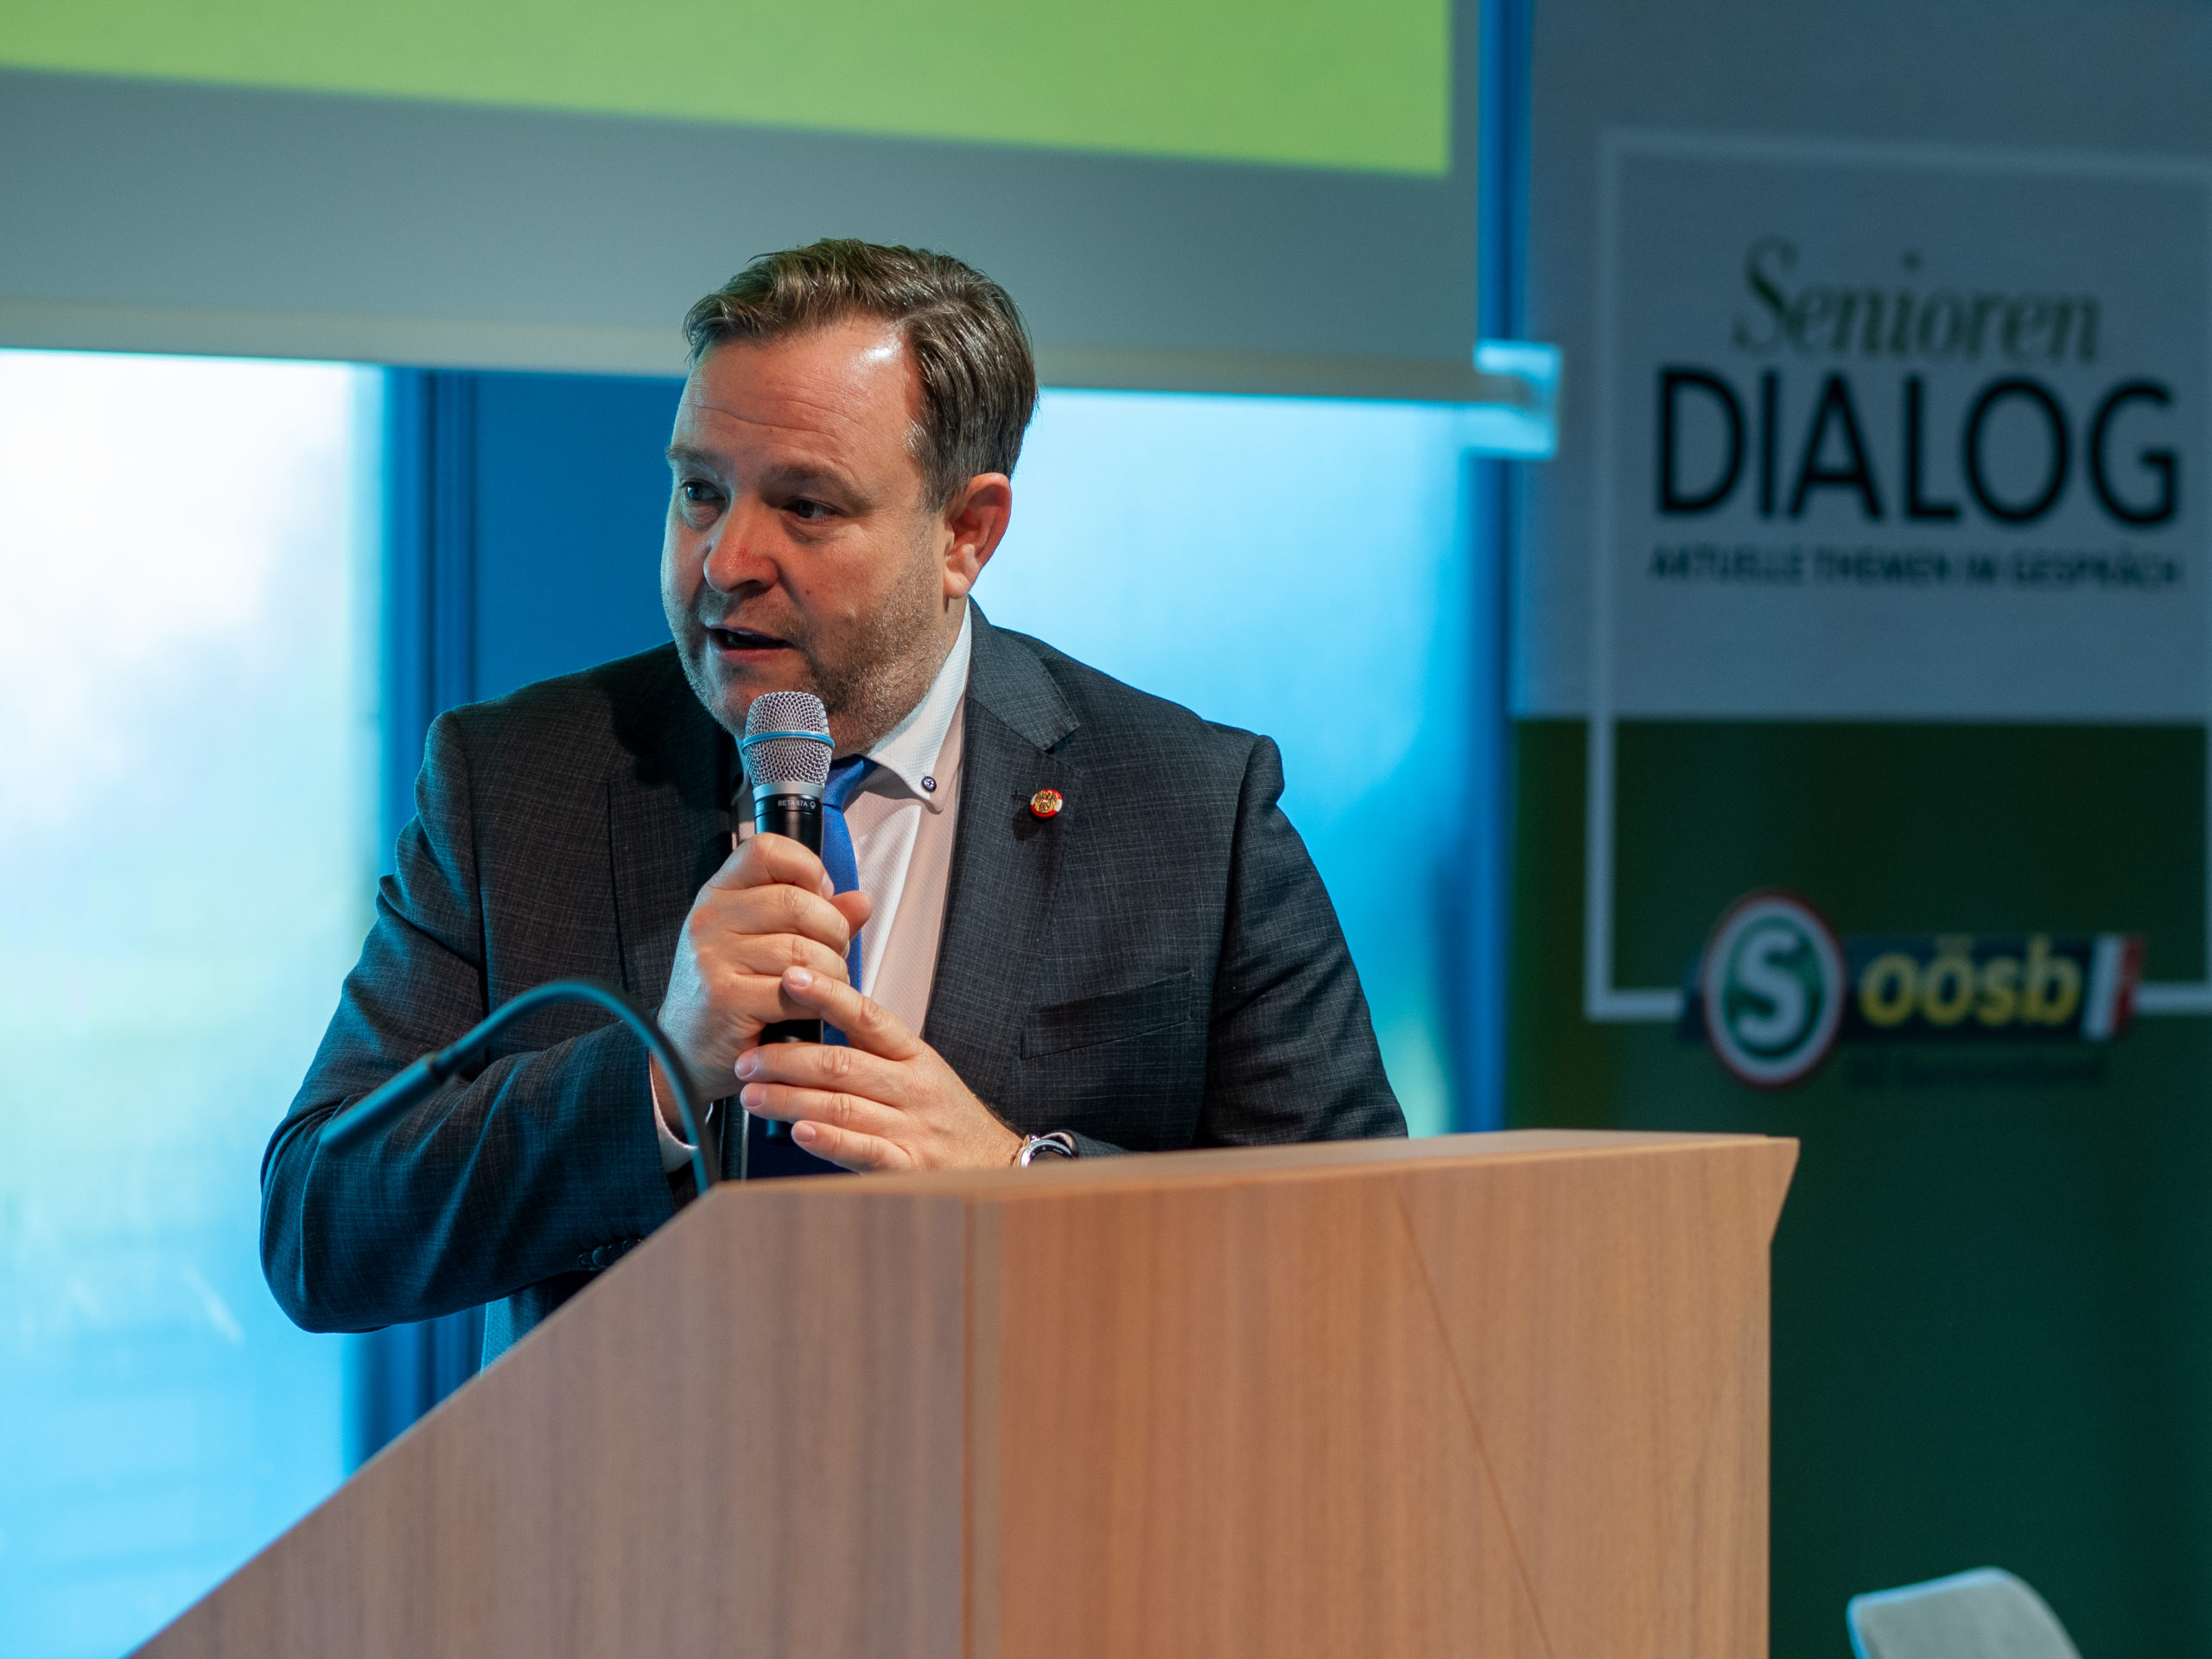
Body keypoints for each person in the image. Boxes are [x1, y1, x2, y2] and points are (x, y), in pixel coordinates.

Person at [262, 240, 1405, 1359]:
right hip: (630, 1484)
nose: (724, 561)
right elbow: (319, 1228)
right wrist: (653, 1077)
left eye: (805, 506)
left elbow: (1363, 1263)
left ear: (965, 533)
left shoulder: (1190, 811)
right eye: (700, 492)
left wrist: (1018, 1181)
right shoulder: (515, 779)